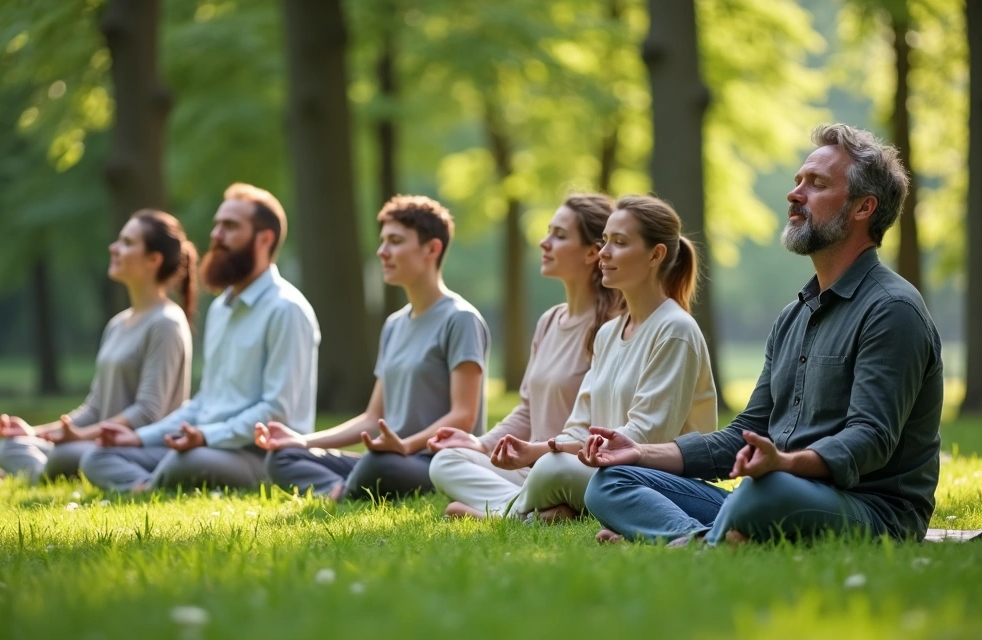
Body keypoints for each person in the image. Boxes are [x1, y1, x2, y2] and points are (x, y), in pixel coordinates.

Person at [581, 124, 943, 546]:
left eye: (817, 184)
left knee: (765, 491)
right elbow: (745, 433)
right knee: (611, 480)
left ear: (864, 207)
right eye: (798, 181)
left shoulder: (892, 309)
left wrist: (786, 465)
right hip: (775, 491)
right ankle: (698, 542)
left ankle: (699, 542)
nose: (794, 194)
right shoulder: (793, 317)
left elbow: (870, 438)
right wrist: (640, 452)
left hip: (871, 512)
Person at [480, 194, 717, 522]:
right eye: (605, 240)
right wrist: (535, 450)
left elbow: (644, 438)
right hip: (606, 469)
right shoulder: (607, 334)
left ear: (655, 254)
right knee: (543, 464)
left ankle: (504, 515)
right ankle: (542, 512)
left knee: (552, 469)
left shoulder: (675, 331)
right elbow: (579, 426)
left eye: (619, 242)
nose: (604, 252)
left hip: (655, 481)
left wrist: (553, 456)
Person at [79, 183, 320, 492]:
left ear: (264, 239)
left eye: (230, 226)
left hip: (262, 454)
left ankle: (149, 485)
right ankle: (148, 484)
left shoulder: (287, 310)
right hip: (206, 447)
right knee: (99, 456)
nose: (216, 235)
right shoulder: (221, 309)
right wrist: (138, 438)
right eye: (217, 225)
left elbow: (277, 411)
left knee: (187, 462)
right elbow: (205, 401)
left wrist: (207, 437)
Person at [255, 195, 489, 501]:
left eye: (395, 241)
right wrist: (302, 441)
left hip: (436, 461)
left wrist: (405, 446)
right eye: (382, 241)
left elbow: (463, 416)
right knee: (283, 456)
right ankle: (341, 490)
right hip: (388, 457)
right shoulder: (394, 325)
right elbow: (372, 418)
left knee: (379, 464)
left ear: (432, 249)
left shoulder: (461, 319)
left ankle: (343, 489)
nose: (382, 251)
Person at [426, 194, 622, 518]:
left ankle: (508, 513)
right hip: (531, 469)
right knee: (446, 461)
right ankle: (528, 511)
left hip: (570, 466)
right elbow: (528, 410)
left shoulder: (614, 327)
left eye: (559, 235)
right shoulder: (549, 321)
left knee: (552, 470)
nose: (545, 243)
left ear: (592, 252)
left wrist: (546, 453)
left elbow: (607, 427)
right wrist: (481, 444)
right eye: (548, 232)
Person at [0, 210, 195, 483]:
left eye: (127, 243)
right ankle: (41, 472)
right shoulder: (117, 325)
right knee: (10, 445)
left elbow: (148, 412)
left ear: (153, 260)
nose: (114, 248)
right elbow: (95, 408)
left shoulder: (166, 323)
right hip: (95, 444)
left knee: (65, 454)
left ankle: (35, 475)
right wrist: (34, 432)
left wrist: (82, 437)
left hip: (137, 448)